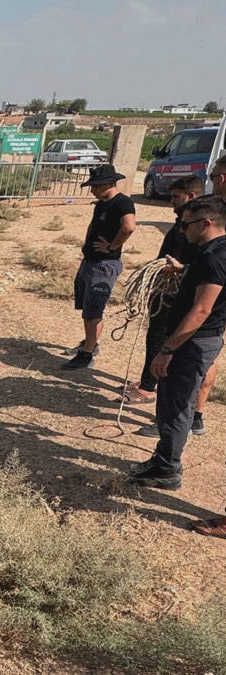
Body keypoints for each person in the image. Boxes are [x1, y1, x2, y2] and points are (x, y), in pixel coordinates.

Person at [128, 195, 226, 491]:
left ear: (206, 223)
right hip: (202, 340)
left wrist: (167, 350)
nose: (182, 231)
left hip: (192, 343)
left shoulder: (213, 258)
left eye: (186, 225)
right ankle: (163, 459)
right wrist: (184, 272)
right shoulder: (213, 252)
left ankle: (167, 469)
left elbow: (201, 309)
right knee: (174, 402)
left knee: (175, 406)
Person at [124, 175, 207, 419]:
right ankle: (149, 384)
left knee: (161, 338)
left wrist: (179, 269)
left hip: (176, 292)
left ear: (190, 196)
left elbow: (196, 260)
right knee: (157, 336)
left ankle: (149, 387)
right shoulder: (184, 220)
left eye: (175, 197)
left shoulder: (194, 225)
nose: (171, 201)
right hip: (167, 288)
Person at [63, 164, 138, 369]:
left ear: (108, 183)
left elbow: (129, 226)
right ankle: (89, 342)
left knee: (94, 309)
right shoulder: (102, 204)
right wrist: (87, 244)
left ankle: (87, 353)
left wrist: (111, 247)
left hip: (104, 265)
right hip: (91, 261)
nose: (92, 189)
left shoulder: (122, 203)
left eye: (95, 185)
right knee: (87, 308)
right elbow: (93, 225)